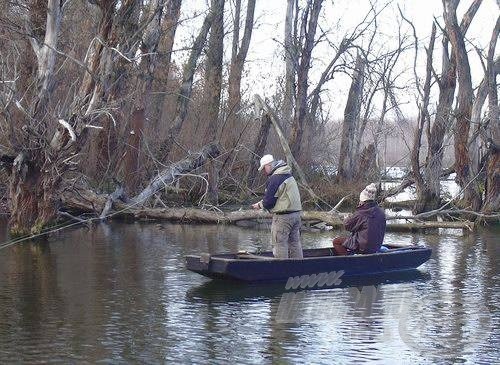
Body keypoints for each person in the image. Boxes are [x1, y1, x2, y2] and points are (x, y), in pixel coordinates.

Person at [251, 154, 303, 259]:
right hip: (296, 215)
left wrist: (259, 205)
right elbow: (280, 196)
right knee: (295, 243)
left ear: (269, 165)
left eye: (264, 168)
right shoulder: (289, 175)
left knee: (280, 243)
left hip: (283, 218)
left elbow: (269, 202)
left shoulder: (275, 178)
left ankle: (282, 270)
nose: (264, 172)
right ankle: (298, 268)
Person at [332, 183, 386, 255]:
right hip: (376, 247)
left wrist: (346, 218)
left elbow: (347, 226)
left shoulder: (361, 212)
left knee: (336, 241)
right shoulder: (381, 211)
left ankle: (347, 261)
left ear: (363, 200)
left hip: (363, 247)